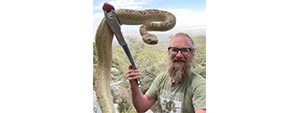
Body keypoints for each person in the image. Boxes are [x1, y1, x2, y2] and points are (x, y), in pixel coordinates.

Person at [126, 33, 206, 113]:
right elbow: (141, 107)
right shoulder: (161, 79)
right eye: (174, 50)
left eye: (185, 50)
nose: (179, 55)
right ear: (169, 52)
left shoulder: (199, 85)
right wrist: (134, 85)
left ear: (192, 54)